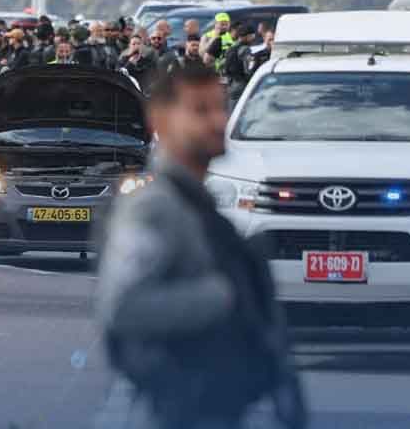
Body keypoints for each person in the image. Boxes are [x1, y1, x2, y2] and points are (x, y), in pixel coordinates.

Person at [96, 64, 306, 429]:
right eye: (200, 110)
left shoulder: (196, 202)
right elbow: (126, 305)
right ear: (159, 121)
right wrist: (224, 294)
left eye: (220, 107)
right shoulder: (155, 206)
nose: (216, 121)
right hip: (175, 408)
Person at [223, 23, 258, 108]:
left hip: (231, 83)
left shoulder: (231, 48)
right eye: (252, 36)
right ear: (247, 36)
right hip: (241, 84)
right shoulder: (246, 49)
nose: (253, 38)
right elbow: (248, 69)